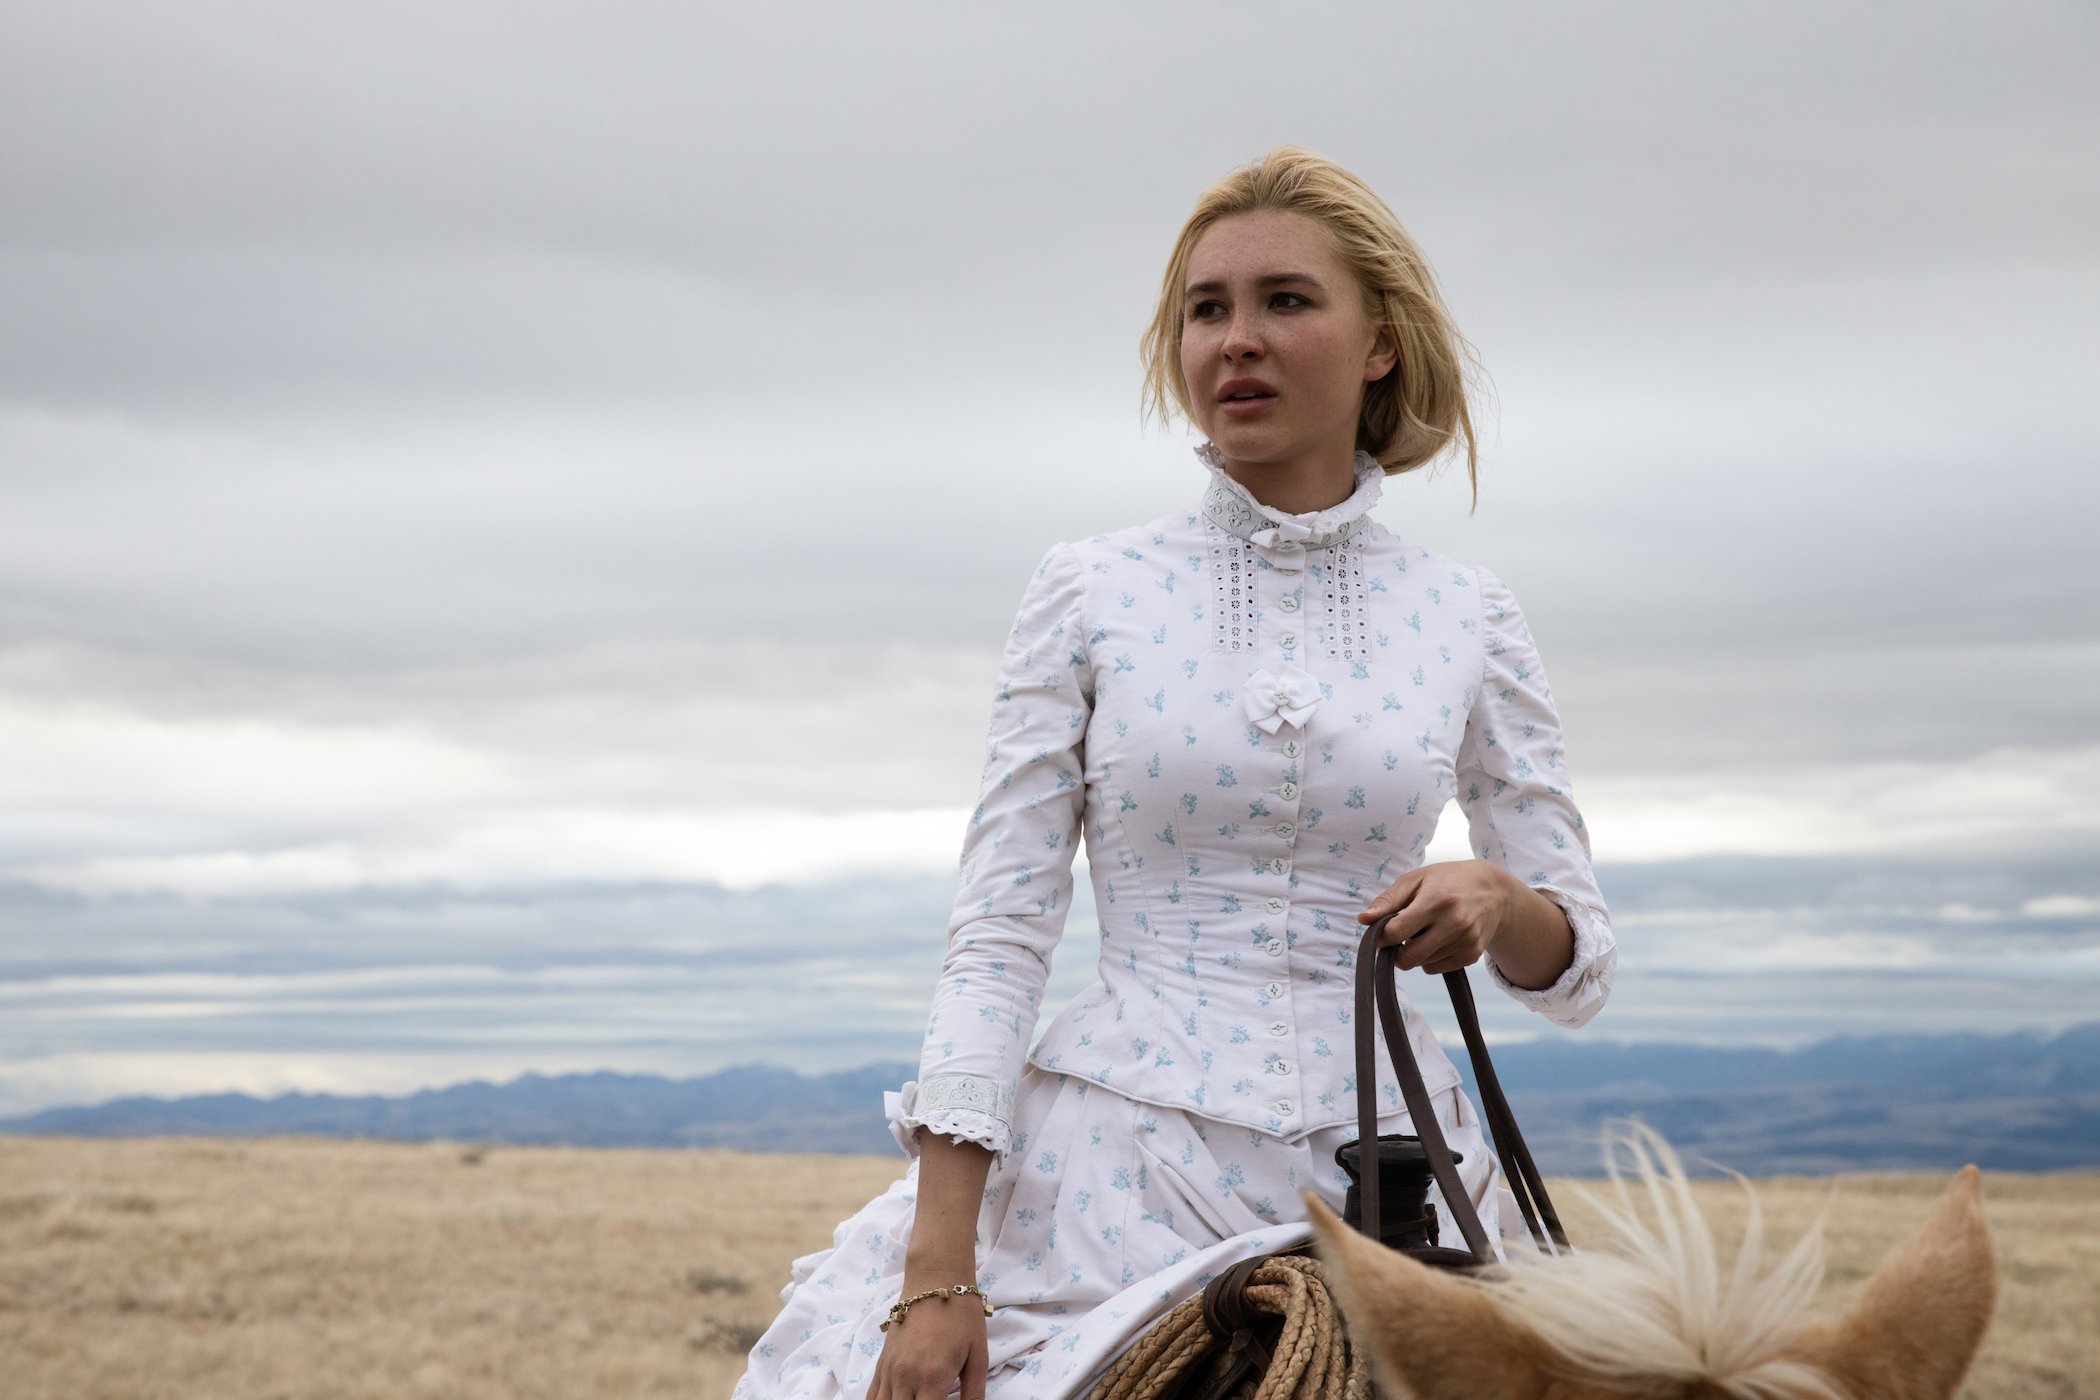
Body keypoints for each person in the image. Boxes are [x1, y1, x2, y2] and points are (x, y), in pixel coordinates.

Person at [731, 146, 1617, 1400]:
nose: (1236, 340)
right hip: (1112, 1179)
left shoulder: (1469, 613)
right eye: (1208, 309)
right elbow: (998, 934)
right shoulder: (1089, 589)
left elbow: (1572, 963)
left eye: (1285, 301)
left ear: (1379, 345)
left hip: (1396, 1167)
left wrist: (1495, 900)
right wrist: (938, 1269)